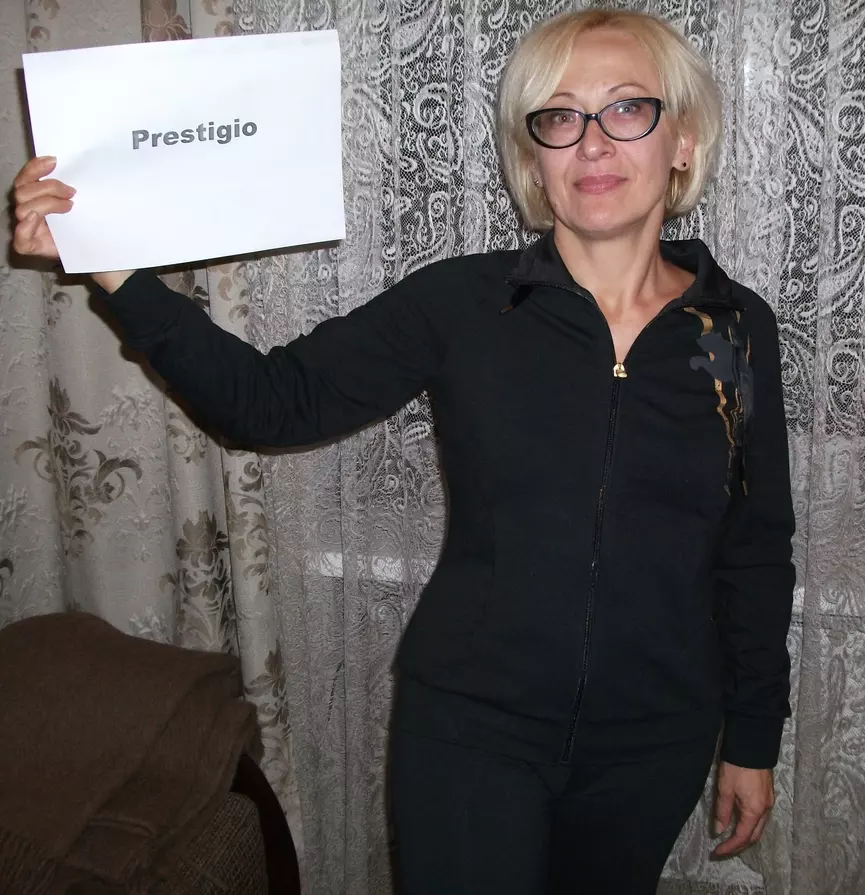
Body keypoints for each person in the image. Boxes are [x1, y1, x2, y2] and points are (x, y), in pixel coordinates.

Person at [11, 8, 795, 894]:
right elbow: (269, 402)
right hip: (472, 730)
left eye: (626, 108)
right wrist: (114, 268)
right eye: (560, 116)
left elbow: (756, 546)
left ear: (682, 140)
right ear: (534, 156)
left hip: (654, 741)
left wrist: (753, 735)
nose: (591, 142)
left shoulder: (737, 328)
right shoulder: (463, 305)